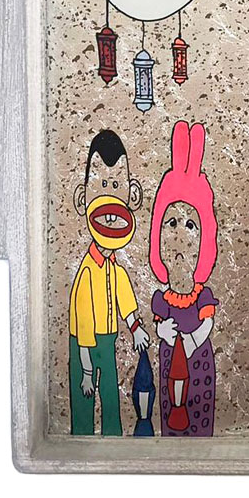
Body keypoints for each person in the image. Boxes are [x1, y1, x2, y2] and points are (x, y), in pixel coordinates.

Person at [68, 130, 151, 435]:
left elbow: (124, 296)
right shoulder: (87, 271)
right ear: (83, 199)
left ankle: (113, 435)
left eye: (116, 186)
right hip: (84, 344)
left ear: (132, 195)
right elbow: (83, 321)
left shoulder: (114, 269)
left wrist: (135, 326)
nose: (111, 200)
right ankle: (81, 440)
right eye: (103, 186)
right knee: (84, 397)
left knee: (111, 395)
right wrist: (86, 369)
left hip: (108, 339)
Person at [148, 121, 220, 436]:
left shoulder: (202, 296)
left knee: (199, 416)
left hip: (198, 360)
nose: (180, 236)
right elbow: (158, 321)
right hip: (169, 359)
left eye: (191, 225)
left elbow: (207, 322)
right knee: (170, 415)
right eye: (172, 223)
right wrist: (162, 331)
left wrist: (193, 340)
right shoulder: (162, 299)